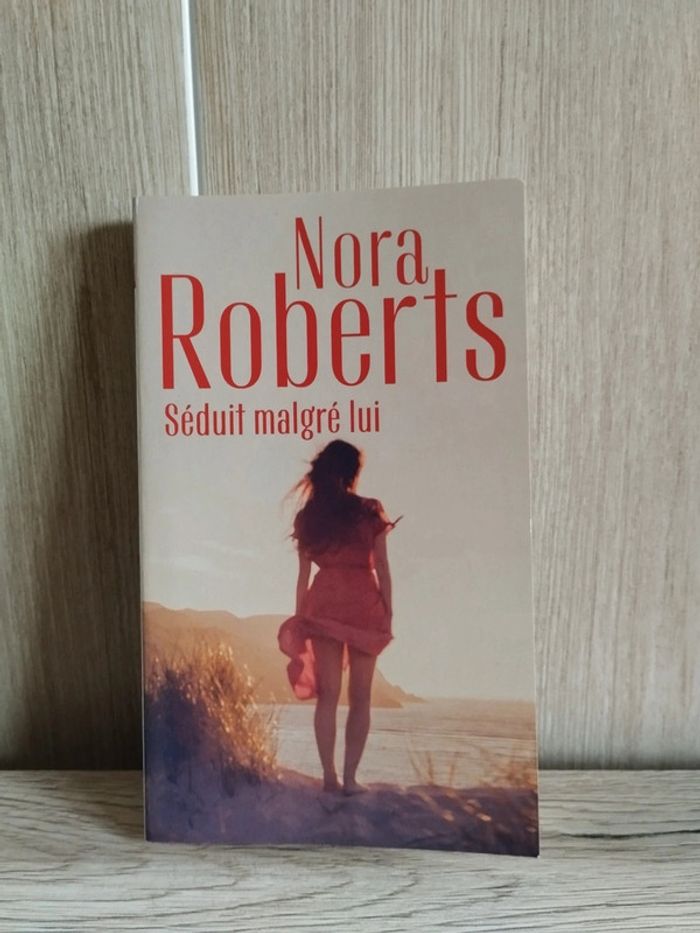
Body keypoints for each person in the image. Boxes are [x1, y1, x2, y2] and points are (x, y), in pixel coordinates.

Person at [278, 440, 400, 795]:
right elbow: (383, 567)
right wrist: (388, 610)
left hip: (325, 603)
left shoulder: (309, 518)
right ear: (351, 473)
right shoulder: (369, 511)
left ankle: (329, 778)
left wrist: (300, 616)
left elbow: (302, 576)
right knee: (361, 696)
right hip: (364, 603)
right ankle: (350, 779)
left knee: (328, 695)